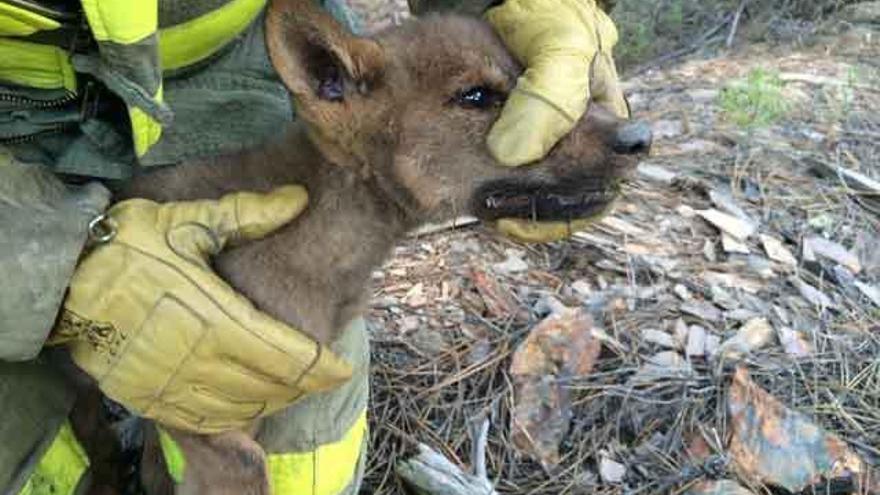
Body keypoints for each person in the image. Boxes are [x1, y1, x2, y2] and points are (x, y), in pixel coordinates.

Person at [0, 0, 628, 493]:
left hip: (223, 96)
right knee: (34, 455)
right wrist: (55, 261)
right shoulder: (352, 100)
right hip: (16, 171)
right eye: (478, 98)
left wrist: (518, 4)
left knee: (303, 443)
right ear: (332, 86)